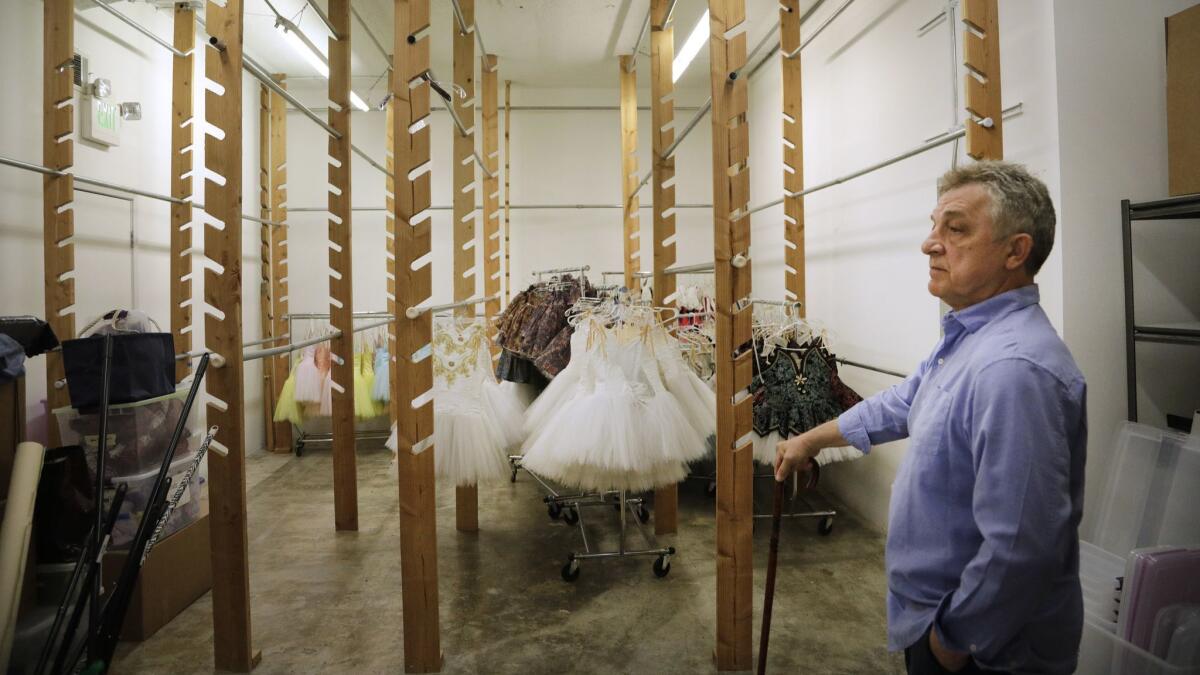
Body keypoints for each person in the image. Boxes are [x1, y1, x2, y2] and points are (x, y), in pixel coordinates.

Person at [776, 161, 1087, 675]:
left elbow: (1020, 546)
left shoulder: (1015, 369)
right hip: (947, 626)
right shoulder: (970, 340)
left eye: (956, 228)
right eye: (934, 225)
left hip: (986, 651)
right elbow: (904, 401)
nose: (929, 243)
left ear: (1016, 251)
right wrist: (811, 439)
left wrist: (952, 640)